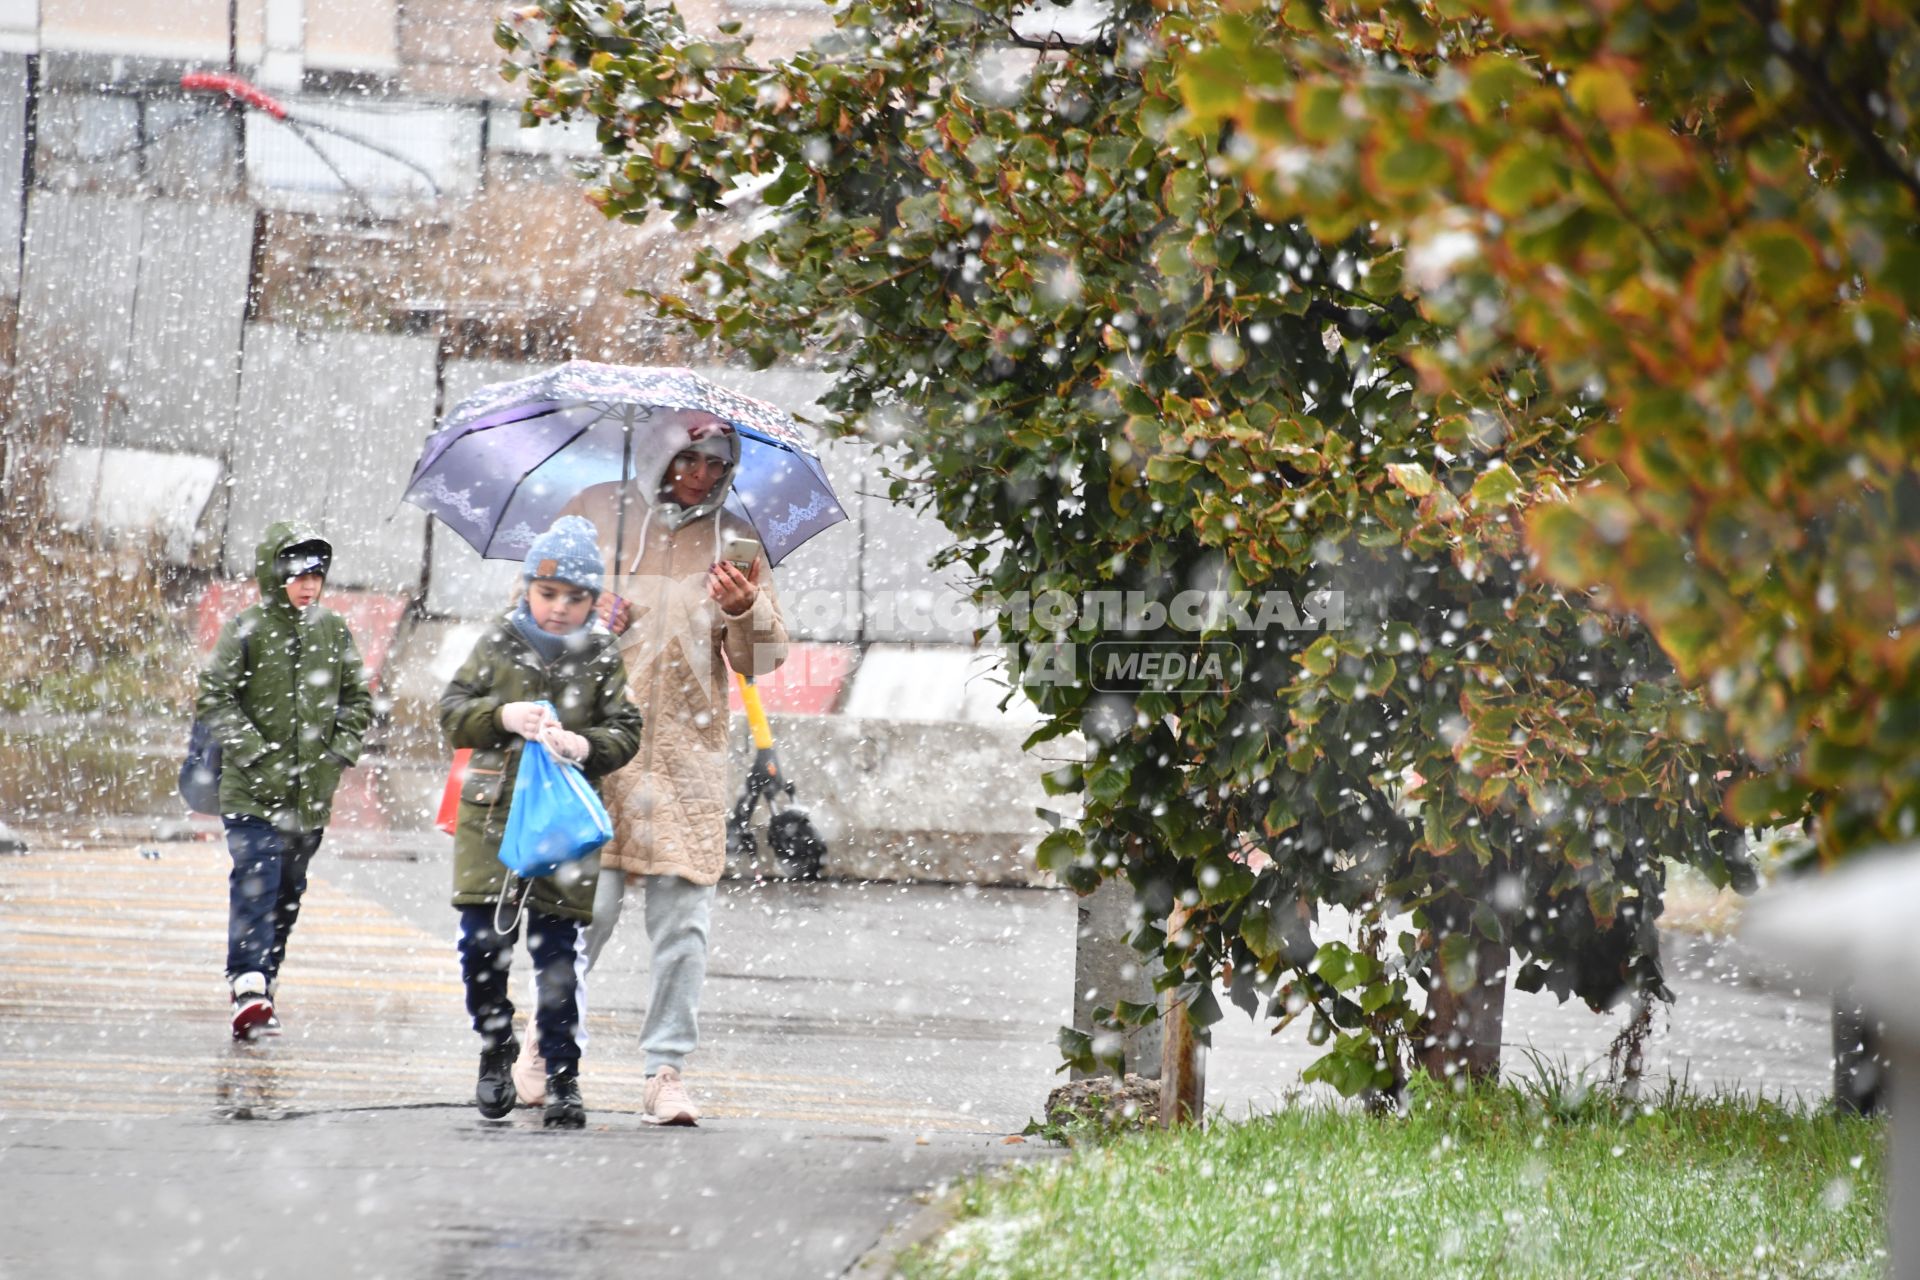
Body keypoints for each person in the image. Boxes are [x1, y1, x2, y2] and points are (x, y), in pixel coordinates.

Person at [512, 409, 787, 1125]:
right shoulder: (594, 515)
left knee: (683, 928)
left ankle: (665, 1071)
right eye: (690, 462)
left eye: (719, 468)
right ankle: (542, 1044)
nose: (702, 478)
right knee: (585, 918)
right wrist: (586, 621)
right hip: (596, 756)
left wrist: (745, 609)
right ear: (661, 456)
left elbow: (762, 661)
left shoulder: (737, 543)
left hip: (687, 766)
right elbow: (529, 620)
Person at [440, 516, 642, 1129]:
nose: (559, 609)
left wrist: (584, 746)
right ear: (527, 587)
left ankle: (562, 1075)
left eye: (575, 598)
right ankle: (495, 1045)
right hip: (493, 819)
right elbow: (453, 712)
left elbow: (626, 729)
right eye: (547, 594)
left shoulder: (603, 653)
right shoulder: (498, 641)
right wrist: (503, 715)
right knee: (483, 947)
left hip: (562, 824)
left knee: (557, 958)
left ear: (593, 600)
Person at [196, 522, 372, 1041]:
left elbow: (357, 700)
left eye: (316, 573)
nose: (308, 584)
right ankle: (246, 984)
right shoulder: (245, 628)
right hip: (250, 792)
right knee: (257, 878)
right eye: (296, 573)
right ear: (274, 574)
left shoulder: (333, 630)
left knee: (287, 894)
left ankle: (262, 988)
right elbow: (214, 696)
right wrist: (253, 751)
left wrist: (338, 751)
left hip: (309, 797)